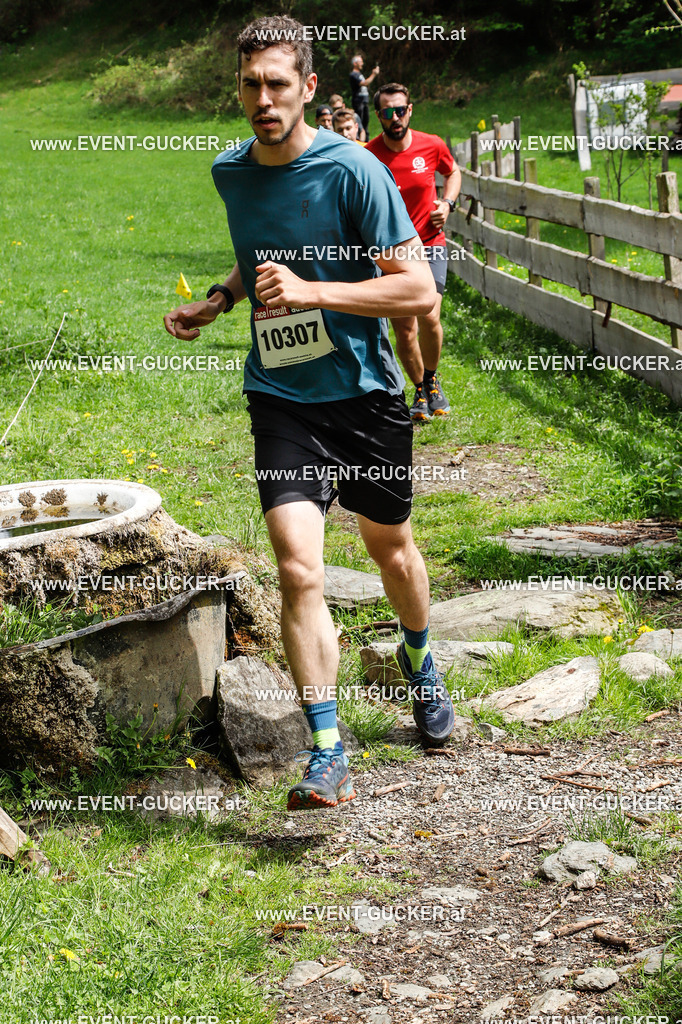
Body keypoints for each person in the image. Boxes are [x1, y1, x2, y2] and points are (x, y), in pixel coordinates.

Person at [163, 15, 455, 811]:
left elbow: (416, 289)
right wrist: (220, 299)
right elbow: (261, 254)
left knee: (391, 550)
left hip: (364, 395)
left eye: (277, 84)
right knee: (298, 568)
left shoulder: (355, 170)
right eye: (250, 85)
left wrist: (313, 290)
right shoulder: (231, 173)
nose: (263, 99)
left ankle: (420, 660)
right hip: (281, 393)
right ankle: (327, 751)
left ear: (309, 87)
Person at [366, 83, 462, 421]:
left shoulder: (431, 144)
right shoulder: (369, 154)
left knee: (430, 314)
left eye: (400, 110)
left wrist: (447, 203)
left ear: (410, 110)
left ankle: (432, 378)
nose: (395, 118)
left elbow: (453, 172)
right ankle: (421, 389)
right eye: (387, 112)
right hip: (391, 251)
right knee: (405, 330)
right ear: (378, 115)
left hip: (430, 243)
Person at [349, 55, 379, 138]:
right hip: (358, 101)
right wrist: (374, 74)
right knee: (360, 122)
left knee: (366, 122)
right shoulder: (353, 74)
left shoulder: (359, 74)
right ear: (355, 63)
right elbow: (364, 83)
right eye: (360, 62)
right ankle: (359, 139)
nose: (362, 63)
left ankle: (366, 140)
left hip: (364, 101)